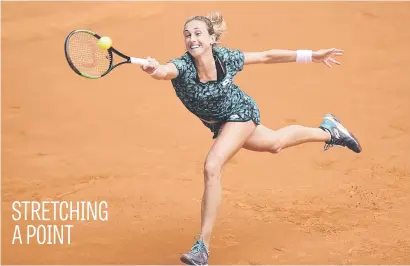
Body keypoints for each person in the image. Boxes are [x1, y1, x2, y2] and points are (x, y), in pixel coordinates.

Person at [140, 11, 362, 266]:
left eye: (198, 33)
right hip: (223, 123)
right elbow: (164, 71)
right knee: (275, 143)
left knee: (212, 166)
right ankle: (330, 130)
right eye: (187, 35)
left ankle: (203, 245)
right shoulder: (181, 67)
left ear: (212, 38)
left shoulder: (227, 58)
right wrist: (154, 69)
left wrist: (312, 55)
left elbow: (267, 56)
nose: (192, 39)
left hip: (241, 113)